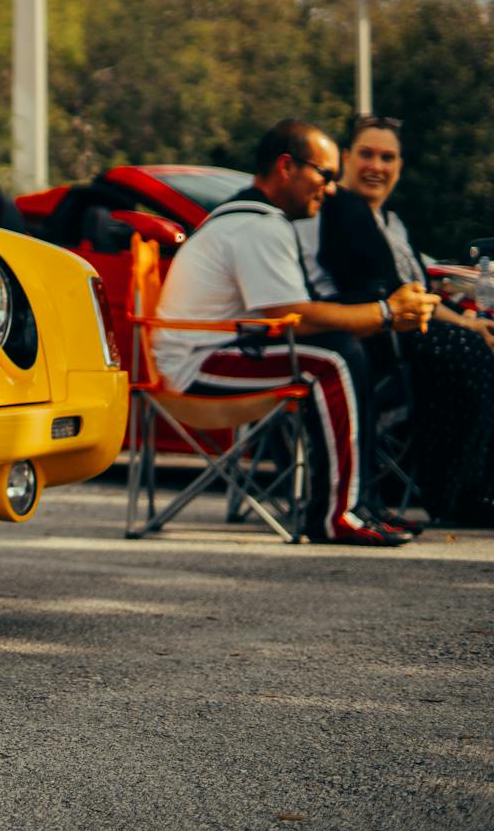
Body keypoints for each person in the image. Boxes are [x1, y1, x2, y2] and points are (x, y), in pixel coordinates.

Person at [152, 120, 439, 546]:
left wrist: (380, 315)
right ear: (287, 167)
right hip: (196, 366)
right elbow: (294, 317)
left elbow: (294, 317)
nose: (331, 188)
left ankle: (358, 505)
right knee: (334, 358)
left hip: (213, 351)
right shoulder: (257, 225)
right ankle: (336, 514)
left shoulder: (254, 216)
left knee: (341, 349)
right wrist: (385, 312)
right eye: (324, 175)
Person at [305, 116, 494, 523]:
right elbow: (391, 294)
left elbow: (422, 292)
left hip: (410, 327)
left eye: (387, 157)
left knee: (482, 340)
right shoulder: (341, 209)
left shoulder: (392, 223)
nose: (377, 166)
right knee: (467, 351)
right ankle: (454, 494)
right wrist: (464, 329)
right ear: (346, 158)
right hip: (374, 335)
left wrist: (470, 321)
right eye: (367, 154)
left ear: (400, 166)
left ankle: (479, 485)